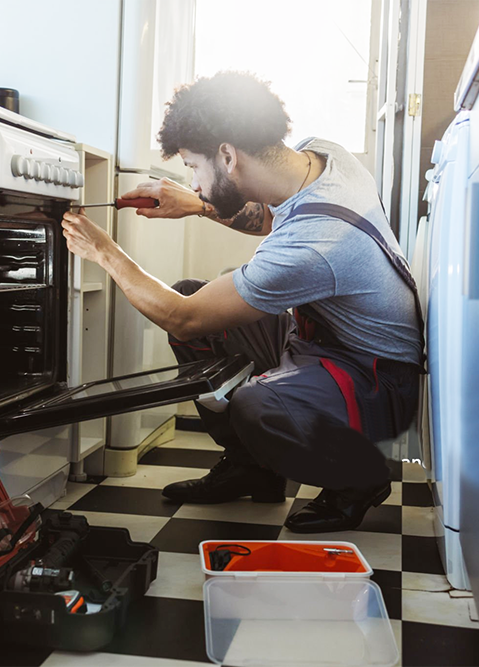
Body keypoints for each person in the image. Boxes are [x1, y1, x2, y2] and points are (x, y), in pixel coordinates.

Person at [61, 72, 422, 533]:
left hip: (374, 378)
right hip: (324, 344)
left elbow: (182, 319)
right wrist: (197, 205)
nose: (192, 181)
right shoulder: (325, 156)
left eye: (193, 167)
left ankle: (358, 479)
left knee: (255, 403)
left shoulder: (316, 244)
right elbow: (271, 219)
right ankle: (253, 468)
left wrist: (102, 251)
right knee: (195, 291)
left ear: (228, 155)